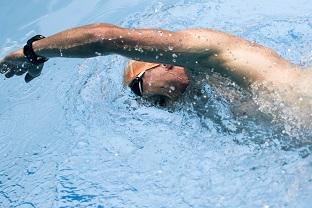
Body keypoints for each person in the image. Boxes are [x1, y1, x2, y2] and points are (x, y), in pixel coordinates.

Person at [0, 23, 311, 107]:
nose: (144, 103)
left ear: (162, 63)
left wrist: (32, 52)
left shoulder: (203, 49)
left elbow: (101, 37)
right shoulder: (219, 89)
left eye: (137, 88)